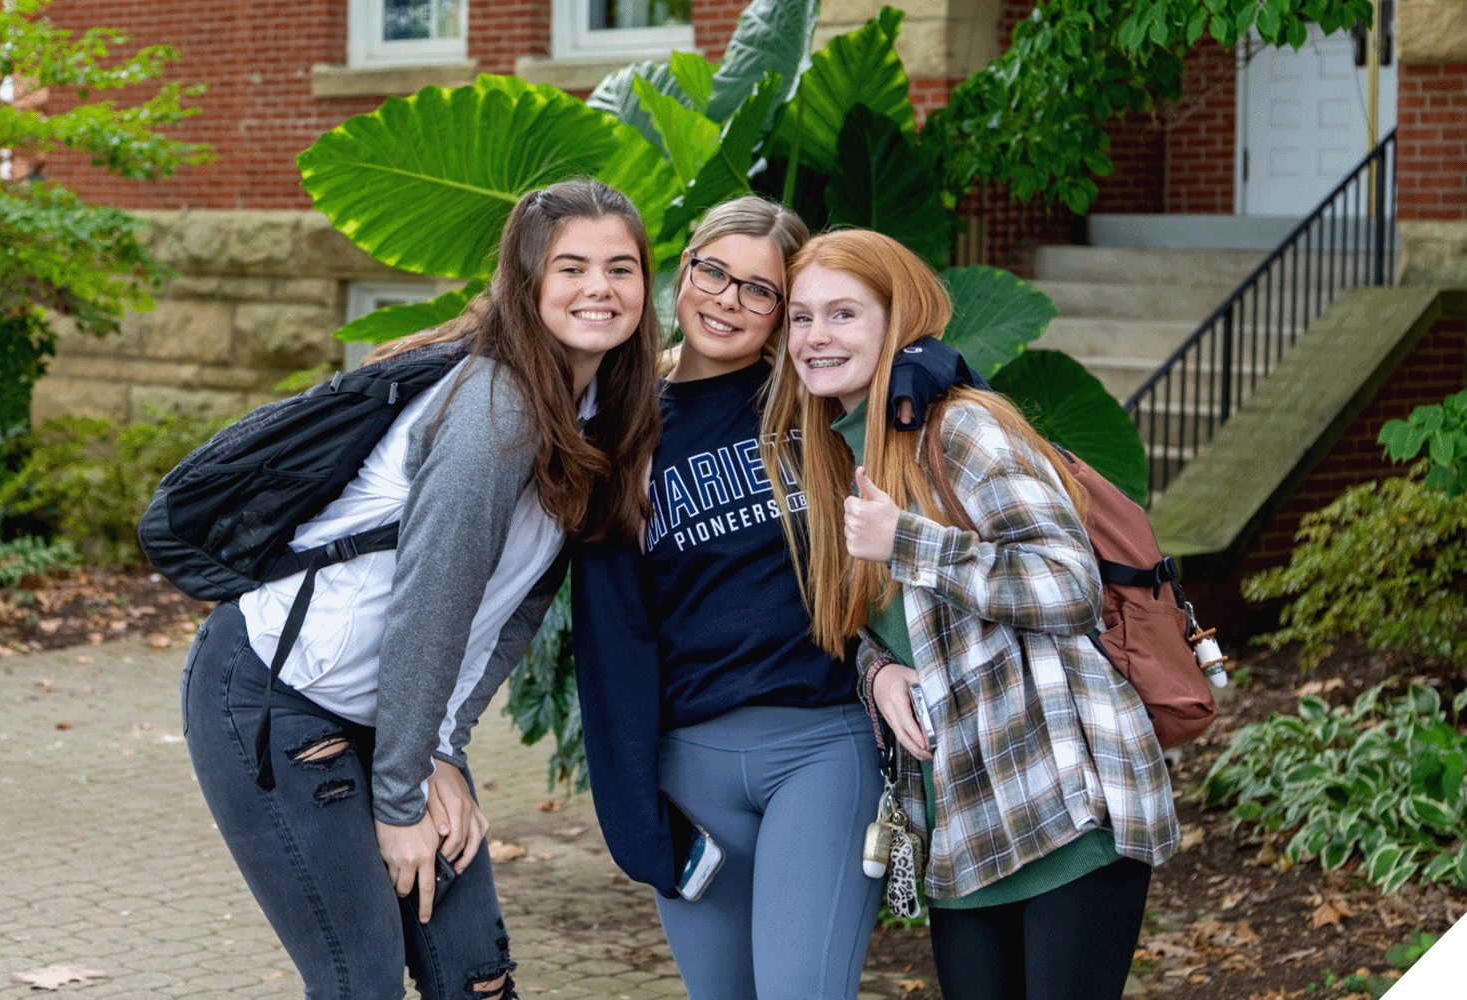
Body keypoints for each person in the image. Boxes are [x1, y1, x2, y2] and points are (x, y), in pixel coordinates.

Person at [180, 179, 663, 1000]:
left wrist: (442, 746)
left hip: (398, 717)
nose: (599, 289)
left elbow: (512, 613)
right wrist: (402, 798)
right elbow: (430, 604)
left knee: (476, 979)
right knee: (358, 979)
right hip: (281, 694)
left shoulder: (590, 414)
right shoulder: (496, 411)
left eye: (621, 268)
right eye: (572, 267)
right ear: (528, 282)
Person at [764, 229, 1181, 1000]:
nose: (817, 337)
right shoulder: (830, 453)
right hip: (966, 828)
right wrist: (878, 671)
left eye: (844, 314)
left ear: (897, 321)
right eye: (802, 317)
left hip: (1062, 803)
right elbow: (879, 622)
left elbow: (1068, 586)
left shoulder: (961, 427)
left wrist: (910, 541)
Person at [572, 196, 885, 1000]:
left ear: (782, 314)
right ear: (684, 270)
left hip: (819, 746)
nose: (728, 300)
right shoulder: (619, 428)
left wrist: (925, 366)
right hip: (689, 769)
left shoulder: (811, 405)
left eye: (759, 290)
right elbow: (613, 637)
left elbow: (920, 401)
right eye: (715, 272)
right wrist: (636, 813)